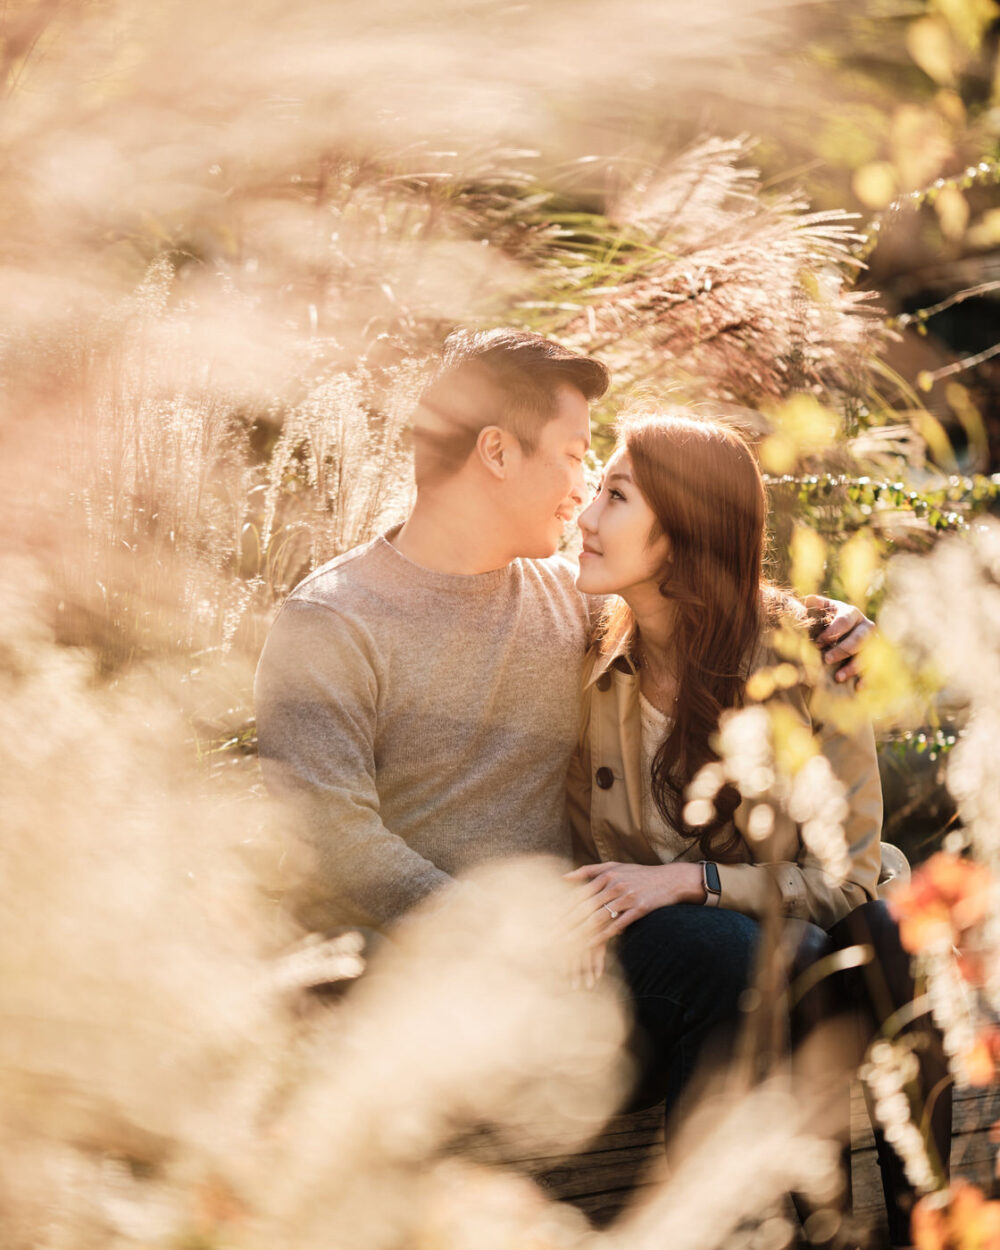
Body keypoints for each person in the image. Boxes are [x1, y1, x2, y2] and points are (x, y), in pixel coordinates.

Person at [253, 328, 874, 1139]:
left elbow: (687, 579)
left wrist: (827, 622)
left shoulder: (568, 594)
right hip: (410, 978)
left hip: (576, 969)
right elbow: (331, 840)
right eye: (578, 456)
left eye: (600, 476)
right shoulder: (330, 620)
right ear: (497, 452)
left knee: (750, 962)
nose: (584, 493)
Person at [562, 409, 950, 1246]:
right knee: (770, 962)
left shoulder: (806, 661)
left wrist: (691, 881)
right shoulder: (583, 640)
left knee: (880, 934)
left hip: (814, 937)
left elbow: (844, 877)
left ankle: (926, 1220)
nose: (586, 518)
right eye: (593, 489)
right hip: (695, 968)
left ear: (686, 531)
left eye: (614, 495)